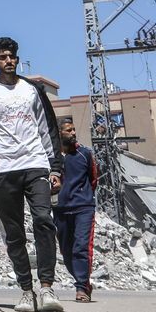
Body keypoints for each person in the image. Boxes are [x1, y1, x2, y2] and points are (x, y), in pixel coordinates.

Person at [0, 36, 65, 312]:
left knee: (44, 220)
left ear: (17, 58)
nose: (8, 61)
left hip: (35, 164)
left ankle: (46, 288)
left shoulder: (33, 90)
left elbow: (49, 129)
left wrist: (55, 167)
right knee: (14, 233)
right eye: (2, 57)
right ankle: (25, 290)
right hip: (4, 168)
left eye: (11, 56)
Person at [54, 119, 98, 302]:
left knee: (81, 246)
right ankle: (84, 282)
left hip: (83, 208)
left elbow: (93, 179)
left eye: (73, 129)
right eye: (68, 130)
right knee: (66, 250)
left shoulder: (84, 154)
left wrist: (83, 196)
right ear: (58, 134)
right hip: (59, 209)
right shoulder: (52, 156)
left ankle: (81, 287)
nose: (73, 133)